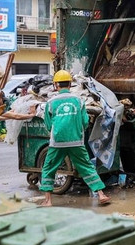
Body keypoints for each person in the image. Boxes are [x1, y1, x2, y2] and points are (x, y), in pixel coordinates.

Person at [41, 70, 110, 206]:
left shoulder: (51, 102)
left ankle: (47, 200)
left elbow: (48, 124)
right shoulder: (79, 101)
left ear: (56, 85)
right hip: (76, 141)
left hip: (57, 142)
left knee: (48, 167)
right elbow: (85, 121)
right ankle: (101, 195)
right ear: (70, 84)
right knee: (86, 166)